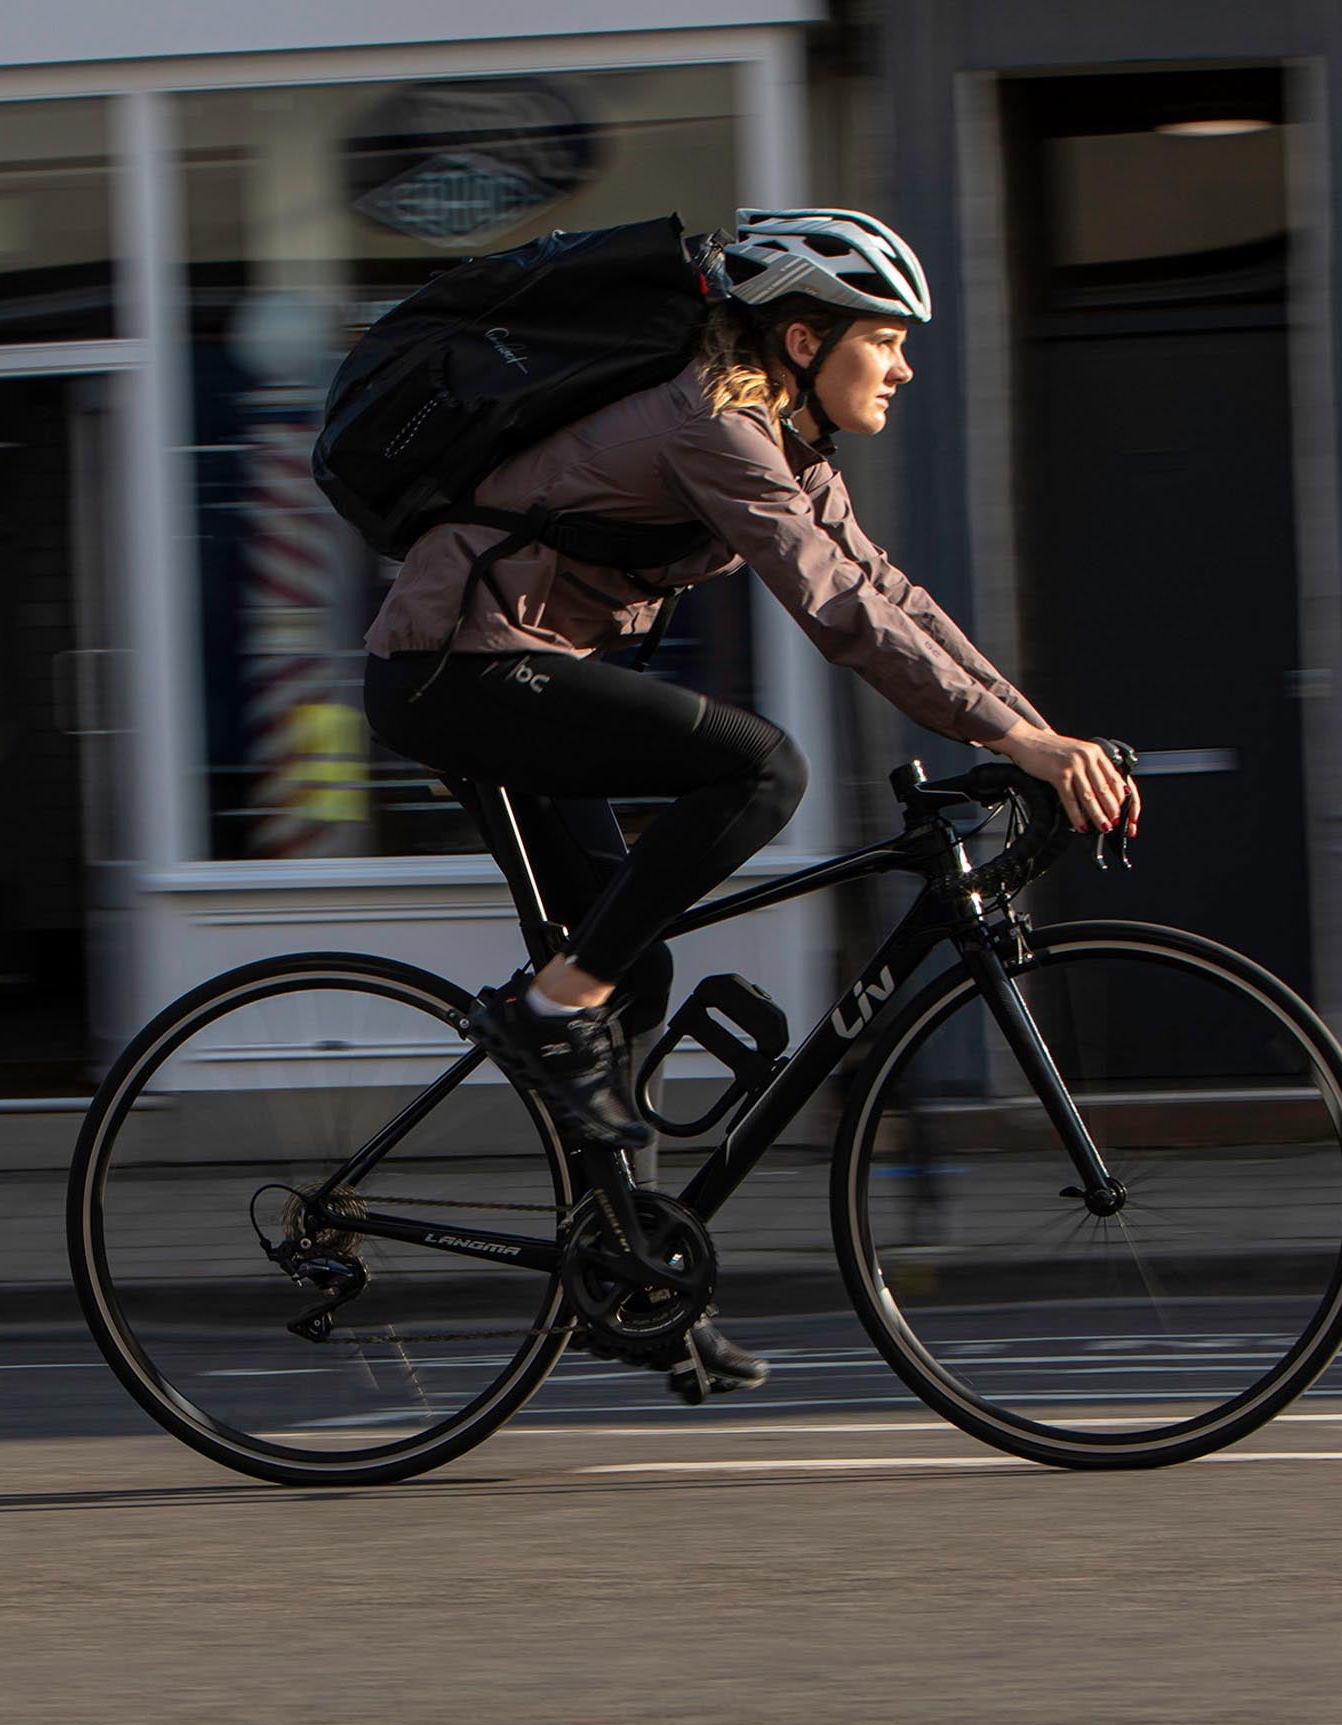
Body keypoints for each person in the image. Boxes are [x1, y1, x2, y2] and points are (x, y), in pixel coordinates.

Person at [360, 207, 1138, 1393]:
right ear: (796, 338)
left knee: (637, 965)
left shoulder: (782, 444)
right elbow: (838, 611)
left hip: (514, 673)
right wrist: (1015, 740)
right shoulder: (707, 425)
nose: (904, 362)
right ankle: (549, 1013)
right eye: (884, 337)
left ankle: (630, 1278)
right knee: (759, 768)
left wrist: (1029, 731)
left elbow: (889, 589)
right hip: (451, 675)